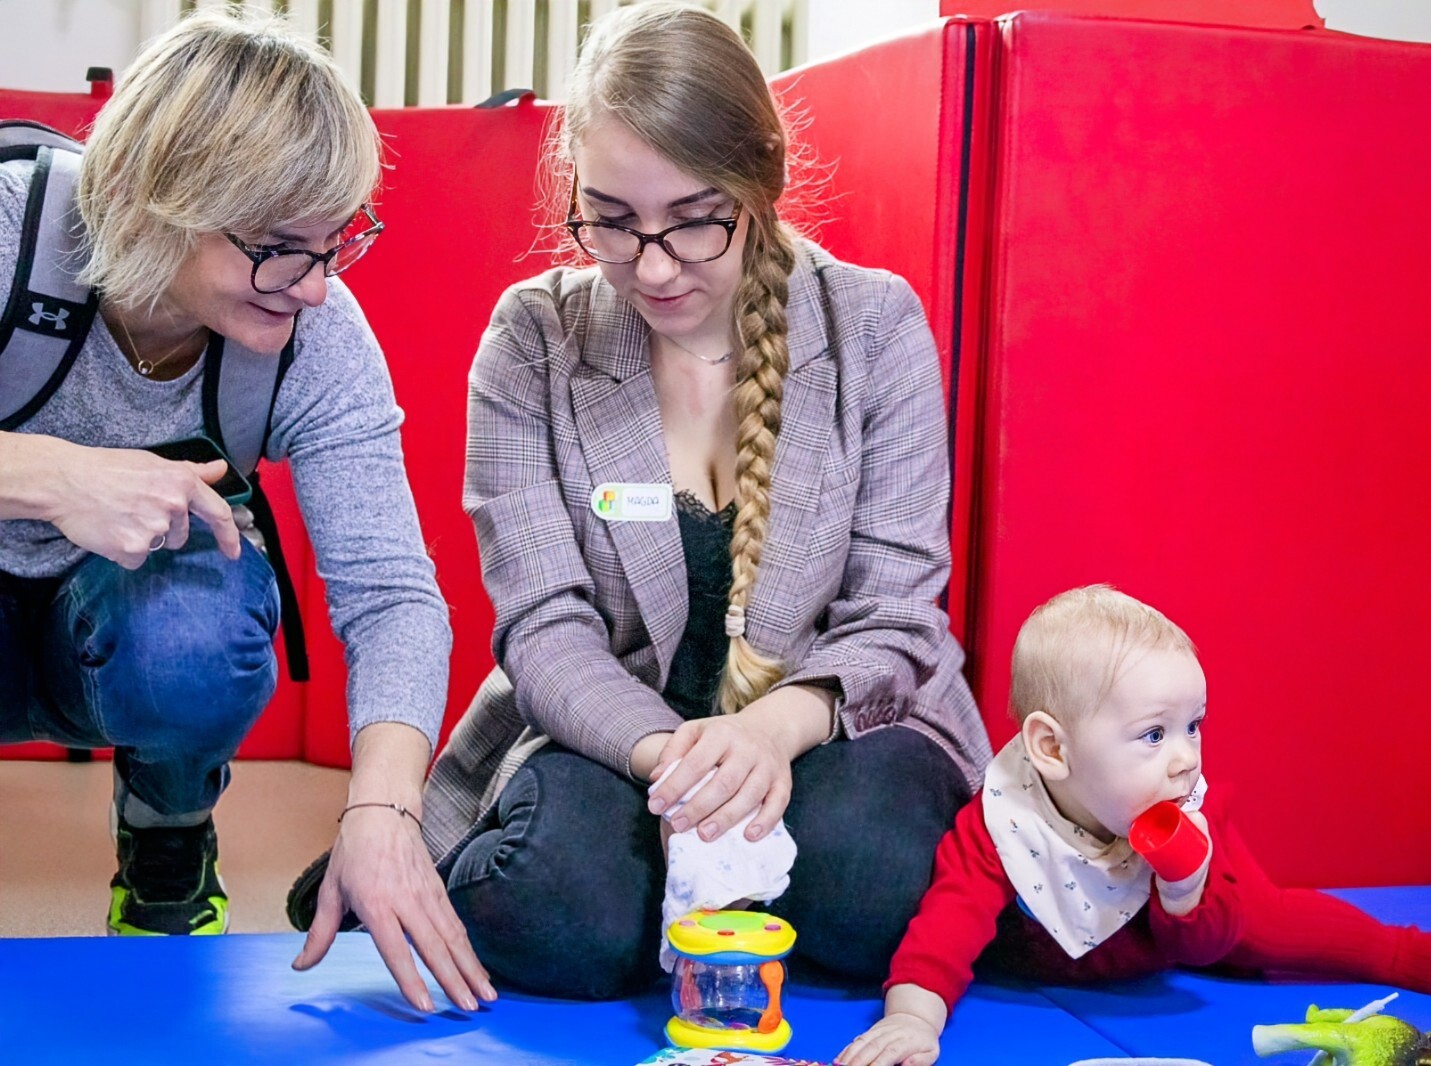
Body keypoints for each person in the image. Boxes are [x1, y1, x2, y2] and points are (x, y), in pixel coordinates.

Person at [417, 1, 993, 999]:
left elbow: (895, 614)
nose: (649, 264)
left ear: (758, 182)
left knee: (880, 886)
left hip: (828, 728)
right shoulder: (532, 340)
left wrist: (771, 734)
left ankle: (709, 899)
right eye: (610, 219)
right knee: (550, 905)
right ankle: (697, 897)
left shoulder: (875, 325)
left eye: (692, 221)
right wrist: (673, 758)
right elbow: (542, 623)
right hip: (617, 736)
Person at [0, 11, 492, 1014]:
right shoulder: (10, 231)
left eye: (336, 243)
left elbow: (394, 595)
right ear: (156, 202)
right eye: (278, 249)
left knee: (198, 617)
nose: (314, 288)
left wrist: (385, 809)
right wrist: (55, 477)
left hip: (109, 638)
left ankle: (168, 843)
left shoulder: (312, 330)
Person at [837, 585, 1431, 1066]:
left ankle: (1394, 948)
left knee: (1275, 929)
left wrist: (1184, 889)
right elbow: (946, 925)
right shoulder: (1005, 819)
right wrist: (913, 1017)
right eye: (1153, 734)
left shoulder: (1186, 812)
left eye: (1193, 726)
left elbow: (1203, 947)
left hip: (1181, 924)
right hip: (1053, 960)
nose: (1186, 757)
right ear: (1054, 750)